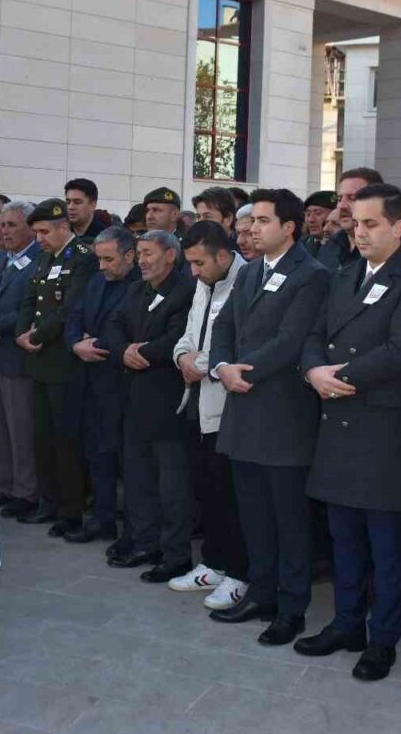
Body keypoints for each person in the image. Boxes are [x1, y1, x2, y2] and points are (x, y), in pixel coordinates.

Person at [294, 183, 401, 680]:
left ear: (399, 227)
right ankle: (346, 623)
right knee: (344, 537)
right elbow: (314, 334)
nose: (360, 232)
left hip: (382, 428)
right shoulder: (345, 274)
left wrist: (337, 378)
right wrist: (314, 370)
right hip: (338, 422)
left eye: (371, 223)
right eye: (355, 223)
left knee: (385, 542)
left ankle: (383, 639)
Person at [207, 189, 328, 644]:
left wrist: (243, 370)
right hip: (243, 409)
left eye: (261, 220)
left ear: (288, 227)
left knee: (288, 517)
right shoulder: (251, 271)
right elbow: (224, 326)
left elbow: (292, 339)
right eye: (251, 220)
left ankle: (291, 606)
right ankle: (261, 592)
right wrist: (221, 366)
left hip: (282, 416)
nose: (251, 228)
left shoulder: (311, 275)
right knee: (253, 513)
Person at [104, 230, 196, 580]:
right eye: (139, 253)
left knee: (172, 486)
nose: (141, 260)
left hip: (168, 403)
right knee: (138, 479)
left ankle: (174, 555)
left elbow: (177, 338)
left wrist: (139, 352)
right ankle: (144, 542)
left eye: (147, 253)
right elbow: (114, 324)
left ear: (170, 255)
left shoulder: (185, 290)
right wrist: (122, 351)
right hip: (135, 400)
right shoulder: (138, 288)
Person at [171, 220, 249, 609]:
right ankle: (214, 565)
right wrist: (183, 357)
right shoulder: (203, 283)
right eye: (190, 264)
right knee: (208, 493)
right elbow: (188, 332)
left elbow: (237, 343)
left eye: (199, 263)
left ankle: (239, 574)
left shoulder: (246, 279)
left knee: (231, 496)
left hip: (227, 409)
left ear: (223, 255)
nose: (194, 272)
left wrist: (199, 363)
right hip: (196, 403)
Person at [15, 199, 97, 533]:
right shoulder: (44, 258)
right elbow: (28, 301)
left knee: (66, 440)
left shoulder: (83, 259)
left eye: (45, 231)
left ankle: (70, 510)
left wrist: (38, 334)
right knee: (42, 437)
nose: (40, 239)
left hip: (63, 362)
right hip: (39, 361)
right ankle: (48, 502)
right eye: (36, 232)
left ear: (64, 227)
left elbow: (72, 308)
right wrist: (22, 332)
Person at [64, 226, 139, 547]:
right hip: (91, 382)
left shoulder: (140, 285)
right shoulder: (96, 281)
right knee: (97, 453)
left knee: (128, 460)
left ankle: (134, 529)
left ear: (129, 256)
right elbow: (74, 316)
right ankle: (103, 519)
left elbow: (130, 330)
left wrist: (97, 345)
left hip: (123, 383)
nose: (103, 266)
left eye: (109, 259)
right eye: (99, 259)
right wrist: (74, 344)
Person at [0, 202, 42, 518]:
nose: (5, 231)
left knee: (20, 426)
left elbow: (31, 309)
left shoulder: (38, 261)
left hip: (16, 353)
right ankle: (4, 485)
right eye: (3, 225)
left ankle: (26, 490)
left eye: (12, 225)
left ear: (30, 228)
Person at [319, 167, 384, 271]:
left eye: (352, 198)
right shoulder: (331, 246)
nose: (342, 206)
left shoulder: (384, 251)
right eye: (340, 199)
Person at [303, 190, 339, 256]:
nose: (311, 220)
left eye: (318, 213)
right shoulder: (300, 247)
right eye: (308, 214)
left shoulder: (344, 246)